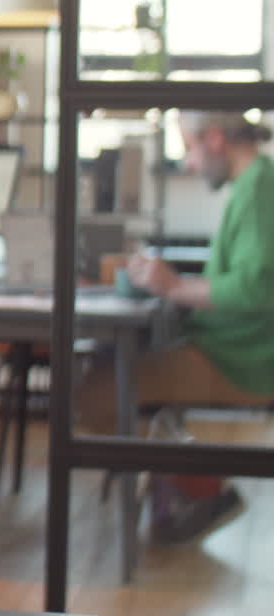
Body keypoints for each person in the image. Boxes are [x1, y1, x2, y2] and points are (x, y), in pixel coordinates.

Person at [81, 110, 274, 543]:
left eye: (188, 147)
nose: (188, 163)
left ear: (216, 138)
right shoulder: (255, 182)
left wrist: (171, 285)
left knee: (93, 394)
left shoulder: (260, 184)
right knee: (110, 376)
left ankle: (204, 490)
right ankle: (189, 488)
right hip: (229, 346)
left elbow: (255, 289)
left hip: (245, 358)